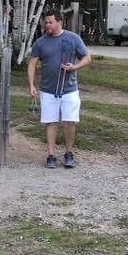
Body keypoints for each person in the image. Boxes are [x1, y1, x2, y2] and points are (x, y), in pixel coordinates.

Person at [27, 9, 91, 168]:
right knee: (51, 123)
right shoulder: (40, 42)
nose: (47, 25)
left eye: (50, 22)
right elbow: (32, 63)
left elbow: (87, 58)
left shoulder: (73, 38)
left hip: (69, 90)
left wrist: (75, 67)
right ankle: (51, 155)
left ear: (59, 22)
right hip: (47, 90)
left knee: (69, 122)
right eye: (45, 22)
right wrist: (31, 85)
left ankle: (69, 153)